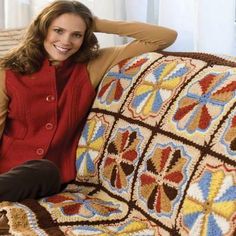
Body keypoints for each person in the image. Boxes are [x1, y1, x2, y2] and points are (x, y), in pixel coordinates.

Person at [0, 0, 177, 202]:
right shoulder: (7, 72)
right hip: (6, 171)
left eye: (76, 34)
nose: (66, 41)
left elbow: (164, 37)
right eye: (58, 31)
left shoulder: (92, 66)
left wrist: (96, 23)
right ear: (42, 29)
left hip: (48, 175)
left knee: (44, 169)